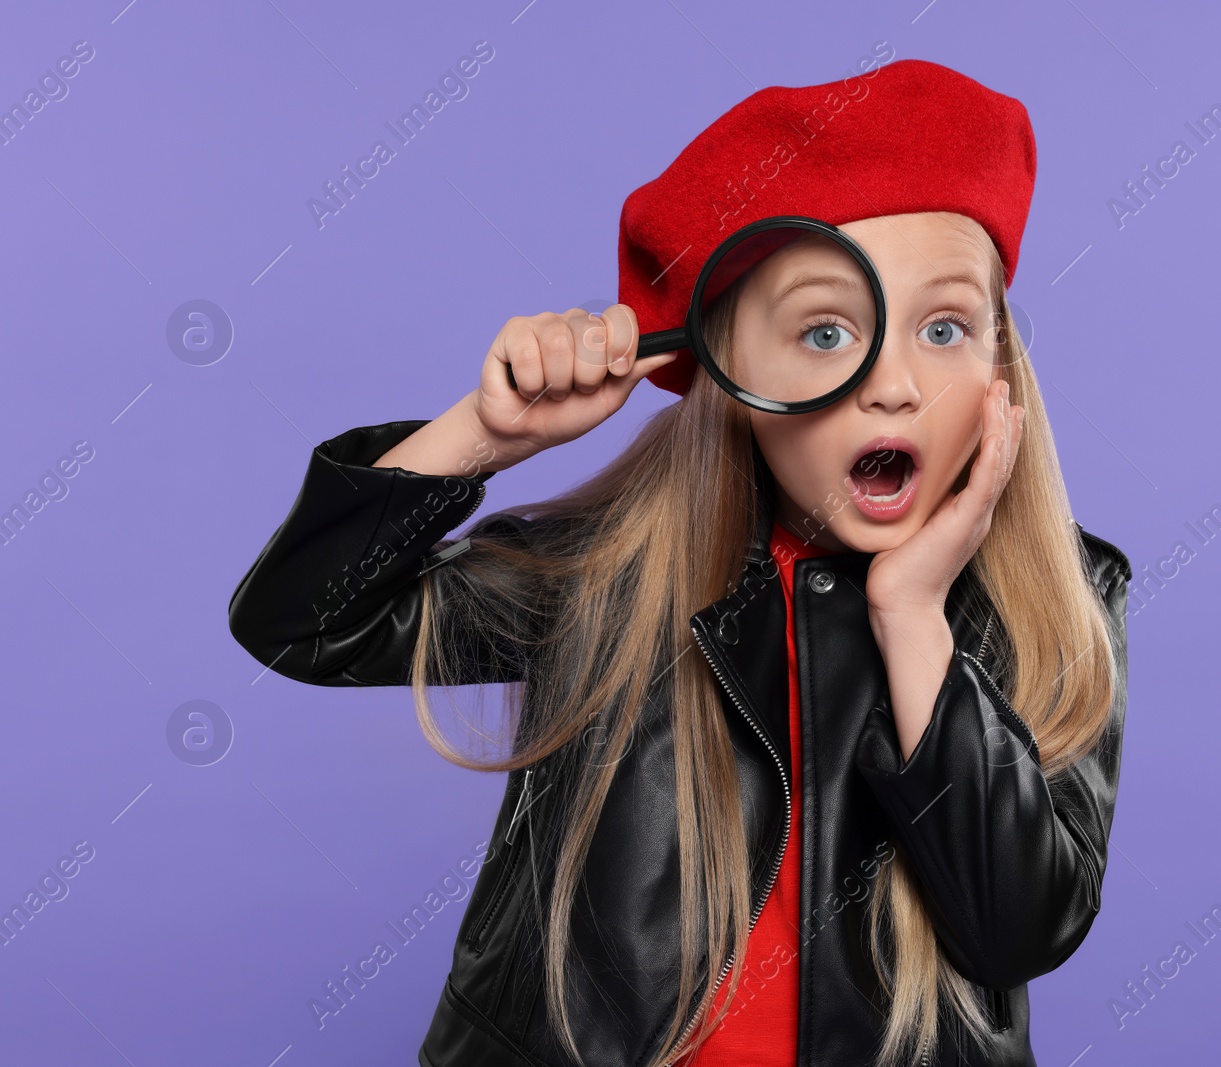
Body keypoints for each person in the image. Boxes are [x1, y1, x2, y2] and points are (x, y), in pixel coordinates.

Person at [228, 57, 1131, 1067]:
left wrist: (913, 617)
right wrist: (483, 437)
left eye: (945, 326)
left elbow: (1019, 927)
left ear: (999, 363)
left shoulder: (1056, 594)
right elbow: (303, 620)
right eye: (827, 330)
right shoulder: (616, 569)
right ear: (734, 378)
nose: (896, 385)